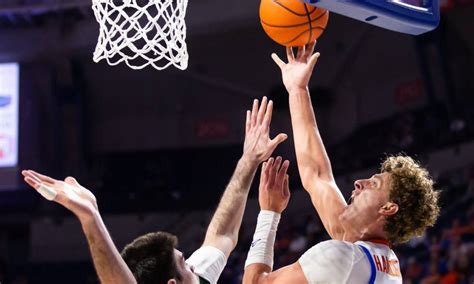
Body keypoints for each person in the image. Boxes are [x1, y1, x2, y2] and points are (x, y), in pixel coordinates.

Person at [22, 97, 287, 284]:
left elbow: (222, 234)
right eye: (186, 264)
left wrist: (248, 161)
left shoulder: (196, 277)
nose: (194, 264)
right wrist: (91, 219)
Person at [243, 42, 440, 284]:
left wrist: (269, 213)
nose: (359, 182)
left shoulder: (343, 258)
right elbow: (317, 175)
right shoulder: (380, 260)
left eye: (374, 184)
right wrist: (297, 90)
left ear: (388, 208)